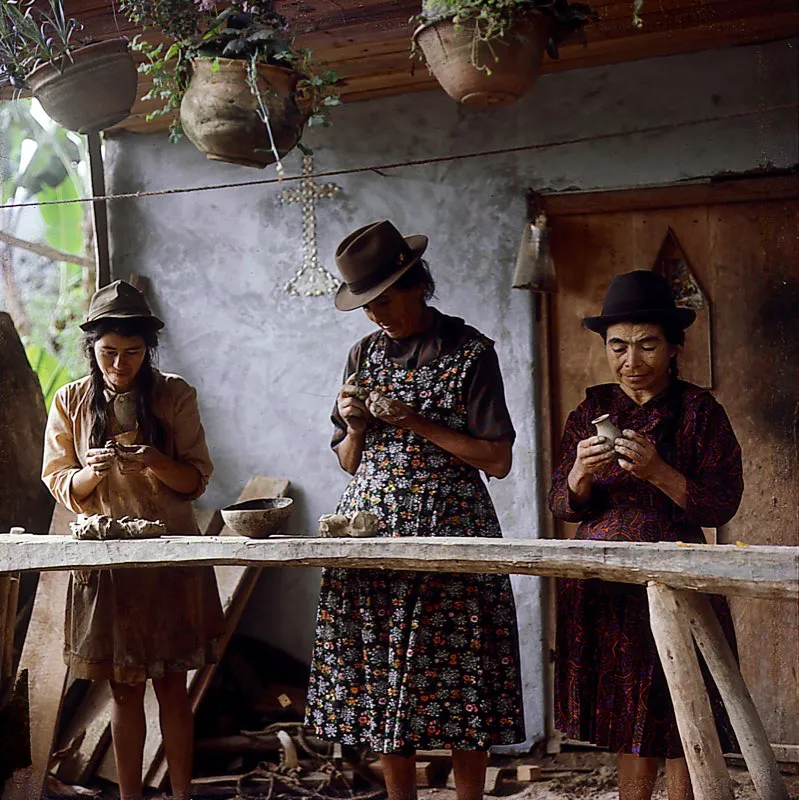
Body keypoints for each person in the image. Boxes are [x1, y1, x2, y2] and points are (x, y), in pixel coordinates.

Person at [306, 220, 526, 800]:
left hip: (451, 527)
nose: (376, 315)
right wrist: (355, 428)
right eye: (366, 306)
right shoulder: (362, 354)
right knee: (382, 672)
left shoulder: (470, 351)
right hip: (372, 530)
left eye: (384, 300)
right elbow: (350, 462)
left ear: (416, 284)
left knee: (463, 674)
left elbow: (497, 459)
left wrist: (416, 422)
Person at [549, 271, 742, 800]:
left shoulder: (701, 413)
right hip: (604, 580)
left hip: (679, 574)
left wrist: (659, 472)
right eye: (617, 346)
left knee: (683, 700)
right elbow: (561, 505)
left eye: (646, 344)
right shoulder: (588, 412)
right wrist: (579, 476)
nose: (630, 360)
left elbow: (722, 503)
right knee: (626, 707)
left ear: (674, 346)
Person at [42, 281, 224, 800]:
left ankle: (182, 795)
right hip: (109, 562)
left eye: (133, 353)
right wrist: (90, 474)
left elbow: (194, 481)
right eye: (108, 353)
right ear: (91, 349)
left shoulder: (175, 394)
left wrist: (154, 460)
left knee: (172, 686)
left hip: (170, 558)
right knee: (124, 690)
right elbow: (62, 485)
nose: (120, 365)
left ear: (149, 351)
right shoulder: (71, 400)